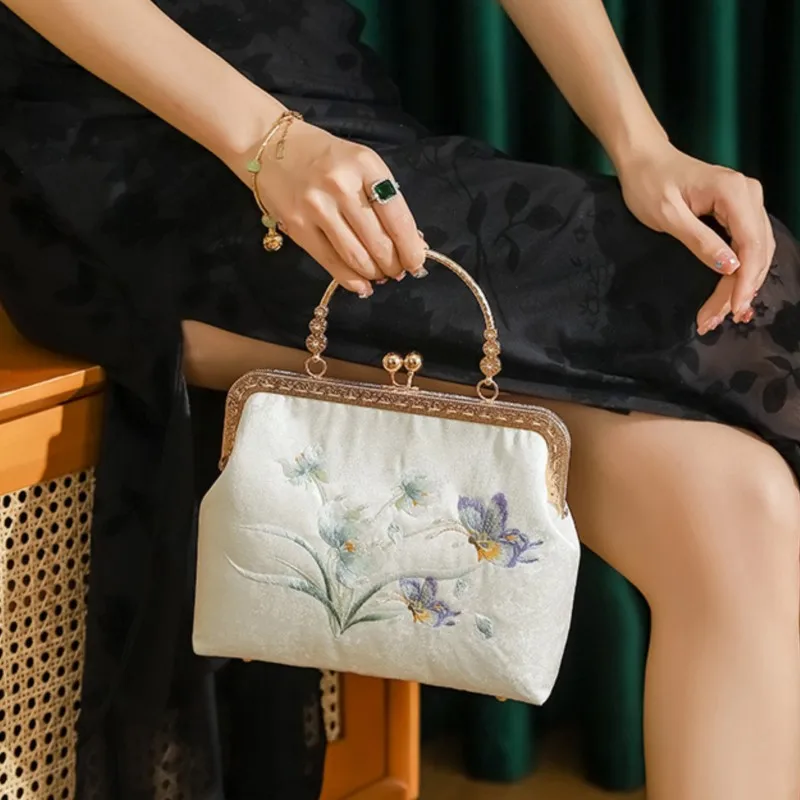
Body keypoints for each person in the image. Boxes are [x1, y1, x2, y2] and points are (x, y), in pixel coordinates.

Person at [0, 0, 798, 798]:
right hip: (127, 148)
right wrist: (266, 142)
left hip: (341, 128)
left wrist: (642, 143)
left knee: (732, 505)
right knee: (764, 305)